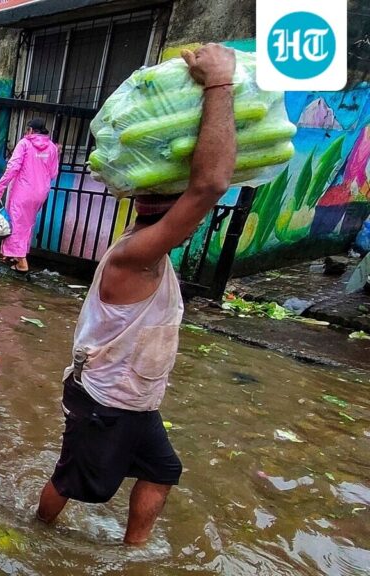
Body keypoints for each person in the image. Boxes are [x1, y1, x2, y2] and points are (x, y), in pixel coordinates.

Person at [34, 44, 238, 546]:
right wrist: (219, 83)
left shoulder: (150, 254)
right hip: (105, 401)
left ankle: (133, 551)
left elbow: (201, 190)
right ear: (170, 207)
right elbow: (210, 182)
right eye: (183, 207)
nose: (194, 219)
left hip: (136, 401)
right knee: (73, 481)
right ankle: (37, 535)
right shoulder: (136, 255)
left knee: (164, 468)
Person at [0, 118, 60, 272]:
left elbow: (13, 167)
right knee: (27, 224)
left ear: (30, 130)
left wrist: (0, 188)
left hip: (23, 190)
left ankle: (22, 262)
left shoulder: (25, 143)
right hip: (40, 192)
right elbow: (54, 173)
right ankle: (13, 255)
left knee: (16, 223)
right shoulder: (51, 147)